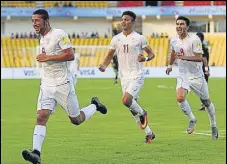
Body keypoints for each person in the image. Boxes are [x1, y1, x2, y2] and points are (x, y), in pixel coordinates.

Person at [22, 9, 107, 164]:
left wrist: (47, 57)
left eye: (37, 20)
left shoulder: (59, 34)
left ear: (46, 21)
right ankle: (36, 153)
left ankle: (95, 105)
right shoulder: (42, 38)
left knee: (76, 120)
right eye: (32, 20)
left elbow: (70, 55)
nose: (34, 23)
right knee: (41, 116)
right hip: (47, 85)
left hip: (63, 84)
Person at [99, 11, 156, 144]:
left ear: (133, 22)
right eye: (122, 19)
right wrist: (104, 65)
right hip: (123, 77)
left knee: (126, 100)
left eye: (127, 20)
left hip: (137, 74)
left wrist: (145, 58)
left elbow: (152, 54)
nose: (123, 22)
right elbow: (109, 55)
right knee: (131, 108)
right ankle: (149, 132)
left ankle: (143, 113)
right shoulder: (116, 39)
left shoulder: (139, 38)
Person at [165, 16, 218, 139]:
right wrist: (169, 65)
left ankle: (213, 125)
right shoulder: (174, 40)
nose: (179, 26)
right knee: (180, 97)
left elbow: (199, 57)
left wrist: (184, 57)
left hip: (197, 76)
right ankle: (192, 119)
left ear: (187, 27)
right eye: (177, 24)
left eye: (182, 24)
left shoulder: (195, 39)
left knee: (206, 102)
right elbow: (173, 53)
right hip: (183, 74)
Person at [196, 32, 210, 111]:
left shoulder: (202, 47)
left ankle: (206, 104)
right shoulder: (200, 47)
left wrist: (206, 70)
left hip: (203, 70)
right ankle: (205, 104)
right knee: (201, 88)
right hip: (200, 70)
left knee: (203, 88)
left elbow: (205, 59)